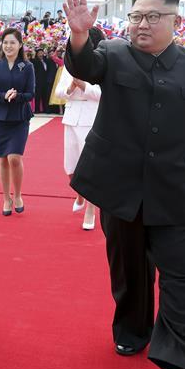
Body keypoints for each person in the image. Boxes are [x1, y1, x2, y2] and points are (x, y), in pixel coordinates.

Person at [64, 0, 185, 369]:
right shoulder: (113, 53)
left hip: (180, 191)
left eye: (152, 17)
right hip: (121, 187)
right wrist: (77, 36)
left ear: (176, 22)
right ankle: (132, 329)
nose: (141, 24)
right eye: (135, 16)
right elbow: (86, 64)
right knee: (129, 269)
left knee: (184, 279)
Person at [54, 27, 104, 230]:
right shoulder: (69, 64)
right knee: (71, 168)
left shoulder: (102, 63)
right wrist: (70, 89)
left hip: (92, 119)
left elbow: (103, 94)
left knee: (91, 168)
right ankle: (80, 193)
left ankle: (91, 210)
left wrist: (84, 86)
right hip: (71, 117)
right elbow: (59, 91)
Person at [0, 28, 35, 216]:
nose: (8, 46)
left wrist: (18, 96)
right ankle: (6, 197)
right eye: (5, 42)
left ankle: (18, 194)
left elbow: (31, 93)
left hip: (20, 116)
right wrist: (3, 95)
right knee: (3, 158)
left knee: (15, 157)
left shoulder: (27, 66)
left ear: (20, 45)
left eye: (12, 42)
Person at [32, 48, 54, 114]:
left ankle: (46, 109)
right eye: (39, 53)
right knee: (38, 96)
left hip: (45, 81)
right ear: (37, 54)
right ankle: (37, 110)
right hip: (38, 81)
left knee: (45, 96)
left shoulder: (46, 61)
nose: (41, 54)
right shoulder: (34, 61)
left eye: (42, 53)